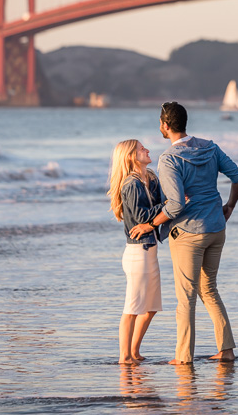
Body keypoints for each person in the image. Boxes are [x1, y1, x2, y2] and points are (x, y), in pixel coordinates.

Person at [130, 102, 238, 365]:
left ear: (165, 126)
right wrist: (229, 206)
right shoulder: (210, 147)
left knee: (186, 298)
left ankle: (183, 358)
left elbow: (175, 205)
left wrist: (150, 224)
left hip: (189, 233)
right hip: (216, 227)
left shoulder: (169, 159)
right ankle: (226, 350)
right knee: (210, 290)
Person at [107, 138, 165, 363]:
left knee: (150, 307)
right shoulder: (130, 184)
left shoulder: (150, 178)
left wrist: (172, 202)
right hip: (136, 253)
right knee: (132, 307)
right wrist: (170, 206)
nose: (147, 150)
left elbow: (164, 201)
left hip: (150, 251)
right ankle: (124, 357)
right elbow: (142, 216)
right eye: (142, 149)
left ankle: (134, 352)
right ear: (131, 156)